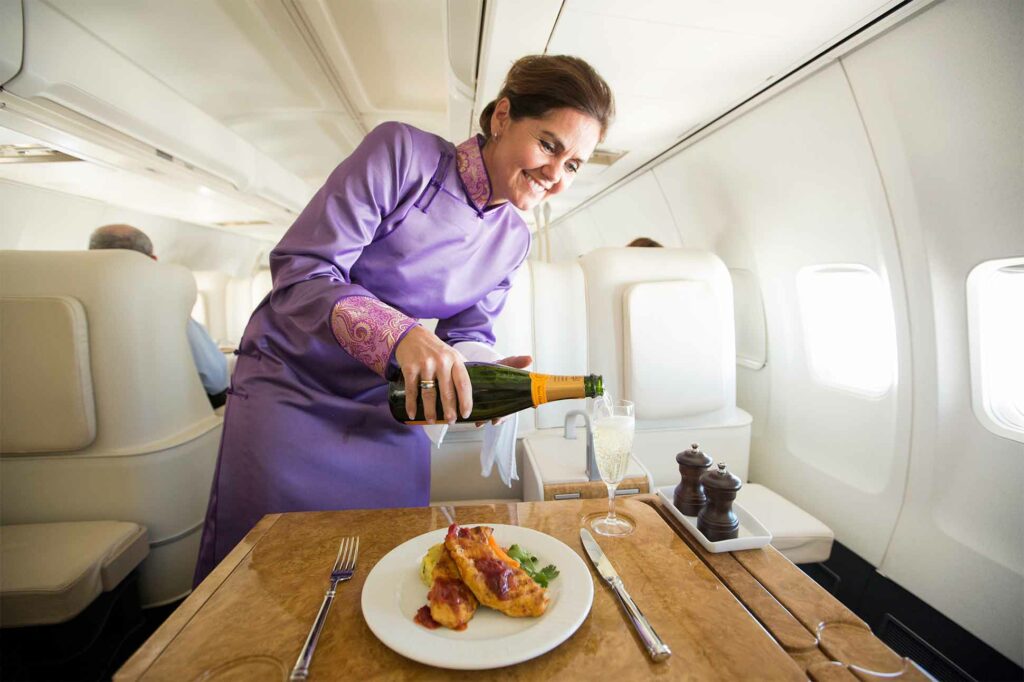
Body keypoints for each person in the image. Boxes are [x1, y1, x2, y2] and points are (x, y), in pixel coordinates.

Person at [193, 55, 614, 583]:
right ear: (502, 117)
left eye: (574, 165)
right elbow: (303, 271)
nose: (555, 175)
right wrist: (404, 335)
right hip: (294, 395)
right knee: (267, 576)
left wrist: (480, 375)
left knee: (378, 577)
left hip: (394, 415)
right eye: (549, 145)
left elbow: (469, 334)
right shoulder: (401, 155)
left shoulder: (513, 238)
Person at [88, 224, 230, 408]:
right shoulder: (166, 309)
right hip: (165, 422)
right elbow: (215, 378)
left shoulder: (56, 300)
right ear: (153, 260)